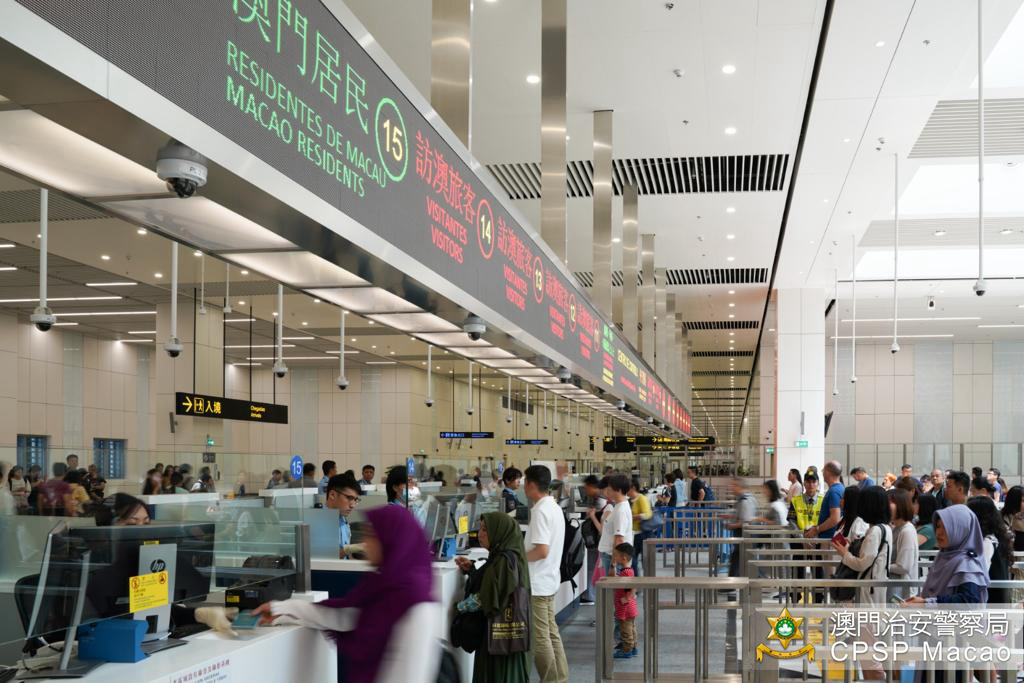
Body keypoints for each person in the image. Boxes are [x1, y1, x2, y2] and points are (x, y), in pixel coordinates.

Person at [256, 505, 441, 683]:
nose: (366, 543)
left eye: (372, 536)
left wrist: (283, 609)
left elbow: (409, 676)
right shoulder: (385, 586)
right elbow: (344, 616)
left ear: (390, 540)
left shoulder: (415, 601)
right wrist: (280, 609)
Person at [453, 512, 530, 682]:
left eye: (485, 530)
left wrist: (458, 608)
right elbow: (494, 584)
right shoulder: (504, 555)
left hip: (498, 641)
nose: (480, 534)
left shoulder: (504, 561)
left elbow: (485, 598)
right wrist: (472, 569)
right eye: (480, 529)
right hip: (504, 640)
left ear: (499, 531)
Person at [522, 465, 567, 683]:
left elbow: (541, 551)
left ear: (531, 484)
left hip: (538, 584)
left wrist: (518, 557)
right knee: (551, 633)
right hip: (548, 580)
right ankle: (560, 677)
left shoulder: (540, 511)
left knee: (540, 638)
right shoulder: (554, 507)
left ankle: (550, 680)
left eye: (524, 482)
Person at [905, 505, 990, 605]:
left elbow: (968, 601)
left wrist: (927, 603)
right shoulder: (944, 556)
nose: (938, 533)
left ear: (961, 530)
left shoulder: (967, 563)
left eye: (946, 528)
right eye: (938, 526)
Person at [966, 495, 1011, 604]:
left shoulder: (987, 542)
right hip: (999, 597)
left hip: (990, 600)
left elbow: (980, 572)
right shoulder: (997, 537)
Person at [597, 474, 633, 577]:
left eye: (610, 489)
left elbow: (619, 540)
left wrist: (613, 565)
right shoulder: (619, 506)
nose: (608, 492)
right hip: (611, 556)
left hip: (613, 558)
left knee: (613, 586)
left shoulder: (620, 511)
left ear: (619, 490)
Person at [887, 488, 919, 601]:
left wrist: (881, 565)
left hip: (902, 591)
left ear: (900, 505)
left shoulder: (907, 531)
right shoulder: (896, 527)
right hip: (894, 586)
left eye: (889, 503)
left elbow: (903, 567)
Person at [581, 474, 608, 605]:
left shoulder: (601, 501)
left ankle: (590, 595)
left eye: (586, 487)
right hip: (597, 539)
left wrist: (591, 516)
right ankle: (589, 593)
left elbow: (601, 526)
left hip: (597, 540)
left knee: (592, 566)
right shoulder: (597, 498)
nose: (585, 490)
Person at [611, 543, 638, 660]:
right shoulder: (627, 570)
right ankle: (633, 647)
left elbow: (632, 587)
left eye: (616, 555)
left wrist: (626, 598)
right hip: (628, 607)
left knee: (625, 629)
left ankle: (627, 650)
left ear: (624, 558)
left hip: (625, 607)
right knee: (631, 628)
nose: (614, 557)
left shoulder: (626, 572)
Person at [324, 474, 361, 558]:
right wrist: (357, 547)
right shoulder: (319, 521)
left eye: (355, 500)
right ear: (332, 495)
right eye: (349, 498)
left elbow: (347, 555)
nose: (353, 505)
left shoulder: (342, 518)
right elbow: (328, 557)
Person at [726, 478, 756, 577]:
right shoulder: (746, 498)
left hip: (743, 535)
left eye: (734, 485)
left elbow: (745, 522)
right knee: (738, 561)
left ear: (740, 487)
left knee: (737, 561)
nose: (731, 488)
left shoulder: (744, 500)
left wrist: (731, 525)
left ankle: (733, 582)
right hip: (743, 535)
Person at [806, 461, 843, 540]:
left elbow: (835, 518)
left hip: (829, 538)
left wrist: (817, 530)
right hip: (830, 536)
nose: (822, 473)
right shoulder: (839, 488)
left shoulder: (834, 492)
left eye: (823, 470)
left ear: (828, 472)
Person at [628, 477, 653, 575]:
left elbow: (648, 514)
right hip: (633, 534)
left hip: (643, 534)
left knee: (645, 561)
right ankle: (636, 580)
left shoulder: (641, 498)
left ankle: (646, 581)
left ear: (633, 488)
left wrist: (633, 517)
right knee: (632, 560)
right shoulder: (629, 500)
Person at [1000, 485, 1024, 551]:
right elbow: (1008, 543)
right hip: (1013, 553)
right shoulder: (1002, 517)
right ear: (1014, 501)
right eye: (1023, 501)